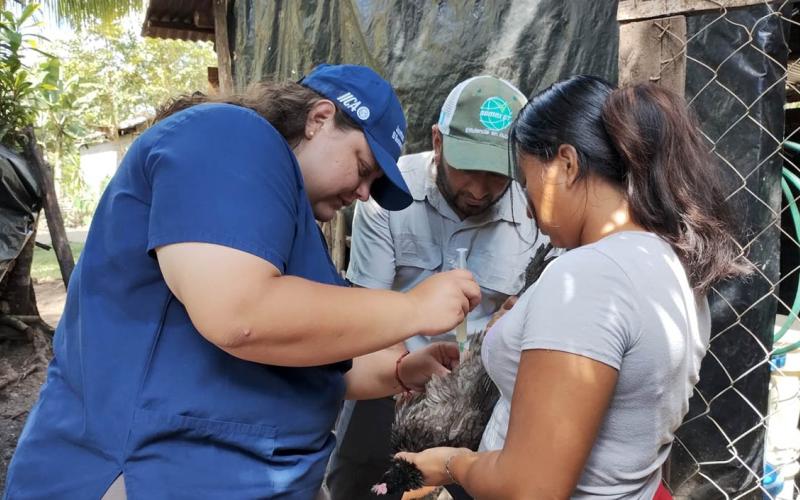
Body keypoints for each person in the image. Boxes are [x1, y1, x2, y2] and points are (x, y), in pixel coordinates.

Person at [2, 64, 482, 499]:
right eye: (362, 168)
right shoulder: (230, 135)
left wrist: (400, 371)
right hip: (149, 474)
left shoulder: (291, 231)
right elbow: (242, 315)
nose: (362, 192)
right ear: (318, 119)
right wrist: (414, 308)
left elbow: (307, 356)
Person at [395, 76, 752, 499]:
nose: (527, 211)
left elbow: (532, 489)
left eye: (527, 184)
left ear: (566, 163)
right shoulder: (667, 259)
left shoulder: (588, 277)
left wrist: (450, 463)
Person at [326, 76, 547, 500]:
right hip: (387, 366)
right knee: (358, 485)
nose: (479, 190)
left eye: (496, 174)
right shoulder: (389, 193)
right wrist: (401, 370)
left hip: (478, 388)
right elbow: (367, 310)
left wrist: (506, 323)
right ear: (438, 141)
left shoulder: (534, 218)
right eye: (467, 169)